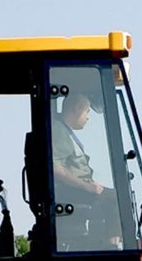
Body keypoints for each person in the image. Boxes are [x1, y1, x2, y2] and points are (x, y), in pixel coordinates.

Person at [51, 91, 120, 248]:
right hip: (70, 193)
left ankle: (105, 245)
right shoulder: (58, 131)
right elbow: (56, 168)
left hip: (75, 191)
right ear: (76, 109)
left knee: (111, 198)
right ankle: (112, 249)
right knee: (115, 200)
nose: (88, 117)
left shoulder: (64, 131)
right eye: (87, 111)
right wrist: (87, 186)